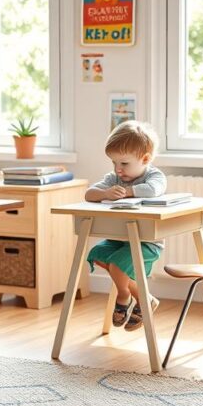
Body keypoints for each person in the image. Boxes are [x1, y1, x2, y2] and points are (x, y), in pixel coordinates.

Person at [84, 120, 166, 331]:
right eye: (114, 163)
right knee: (97, 254)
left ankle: (123, 296)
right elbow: (89, 194)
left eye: (124, 163)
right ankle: (144, 298)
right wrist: (105, 194)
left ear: (145, 159)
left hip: (146, 241)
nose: (118, 170)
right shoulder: (113, 179)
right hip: (119, 239)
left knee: (118, 263)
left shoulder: (153, 175)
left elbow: (153, 190)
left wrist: (128, 191)